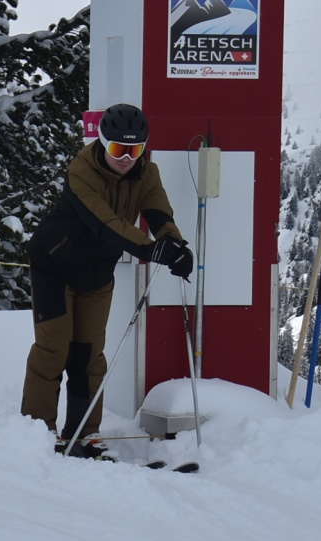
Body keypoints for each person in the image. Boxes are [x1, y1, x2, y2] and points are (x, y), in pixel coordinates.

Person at [22, 103, 193, 457]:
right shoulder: (81, 171)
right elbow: (106, 225)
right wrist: (151, 250)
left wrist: (175, 246)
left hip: (97, 273)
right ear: (102, 142)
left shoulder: (147, 173)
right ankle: (36, 432)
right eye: (118, 149)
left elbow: (160, 214)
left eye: (135, 149)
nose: (126, 158)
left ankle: (84, 434)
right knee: (54, 350)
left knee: (88, 356)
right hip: (54, 265)